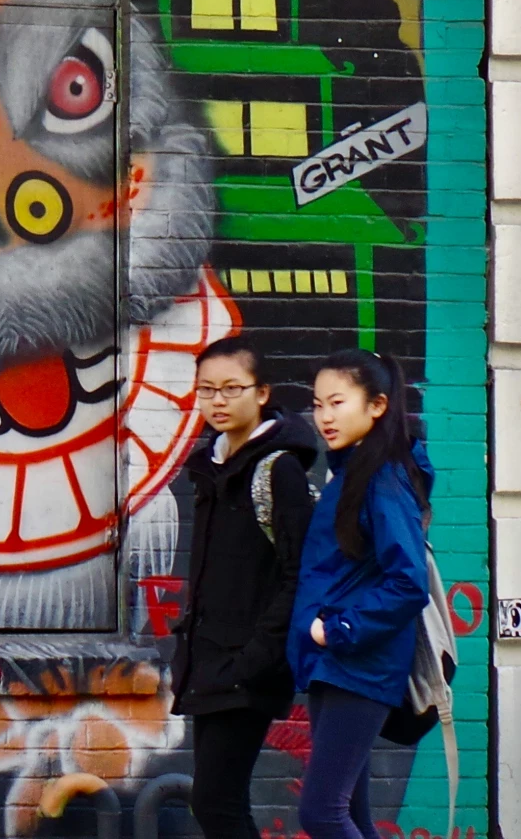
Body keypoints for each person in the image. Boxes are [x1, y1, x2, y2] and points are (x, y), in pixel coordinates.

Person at [172, 337, 318, 839]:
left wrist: (258, 656)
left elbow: (299, 574)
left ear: (262, 394)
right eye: (207, 389)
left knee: (215, 803)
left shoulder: (280, 471)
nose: (217, 400)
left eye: (232, 388)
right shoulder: (210, 469)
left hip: (246, 668)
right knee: (216, 802)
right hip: (208, 661)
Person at [291, 348, 434, 839]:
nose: (324, 417)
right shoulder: (351, 474)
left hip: (359, 662)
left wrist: (338, 630)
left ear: (377, 405)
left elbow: (408, 581)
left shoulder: (383, 477)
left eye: (337, 402)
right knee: (350, 816)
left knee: (322, 813)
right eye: (317, 404)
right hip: (336, 663)